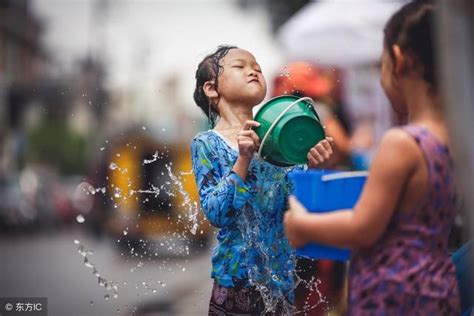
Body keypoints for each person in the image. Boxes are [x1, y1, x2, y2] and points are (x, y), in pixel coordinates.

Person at [284, 1, 461, 314]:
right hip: (438, 288)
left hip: (393, 294)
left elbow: (361, 227)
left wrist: (303, 226)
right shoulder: (457, 139)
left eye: (381, 63)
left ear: (398, 59)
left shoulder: (403, 143)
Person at [191, 45, 333, 315]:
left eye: (256, 66)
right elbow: (215, 213)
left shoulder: (279, 144)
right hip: (234, 285)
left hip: (281, 282)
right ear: (212, 89)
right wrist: (243, 159)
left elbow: (298, 206)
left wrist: (315, 169)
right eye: (240, 66)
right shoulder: (207, 143)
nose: (253, 70)